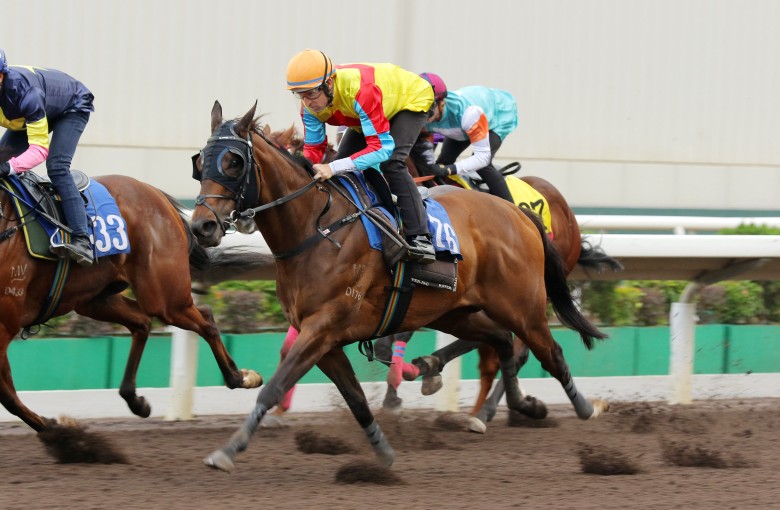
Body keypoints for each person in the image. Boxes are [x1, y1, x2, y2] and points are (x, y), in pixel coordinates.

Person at [285, 49, 436, 264]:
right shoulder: (310, 107)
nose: (307, 102)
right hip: (368, 112)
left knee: (391, 161)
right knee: (339, 173)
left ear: (329, 83)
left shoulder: (361, 91)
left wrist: (333, 167)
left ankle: (420, 236)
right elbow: (314, 150)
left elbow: (382, 149)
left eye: (311, 93)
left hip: (409, 100)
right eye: (300, 94)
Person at [0, 49, 95, 266]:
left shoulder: (25, 93)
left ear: (1, 76)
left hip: (70, 106)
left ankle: (82, 239)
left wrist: (10, 167)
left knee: (57, 166)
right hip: (31, 113)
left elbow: (39, 150)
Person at [414, 72, 516, 203]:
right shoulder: (426, 114)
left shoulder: (468, 114)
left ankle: (514, 209)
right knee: (443, 162)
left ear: (442, 103)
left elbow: (482, 158)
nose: (423, 113)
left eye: (429, 106)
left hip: (497, 117)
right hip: (461, 126)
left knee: (482, 166)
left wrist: (449, 169)